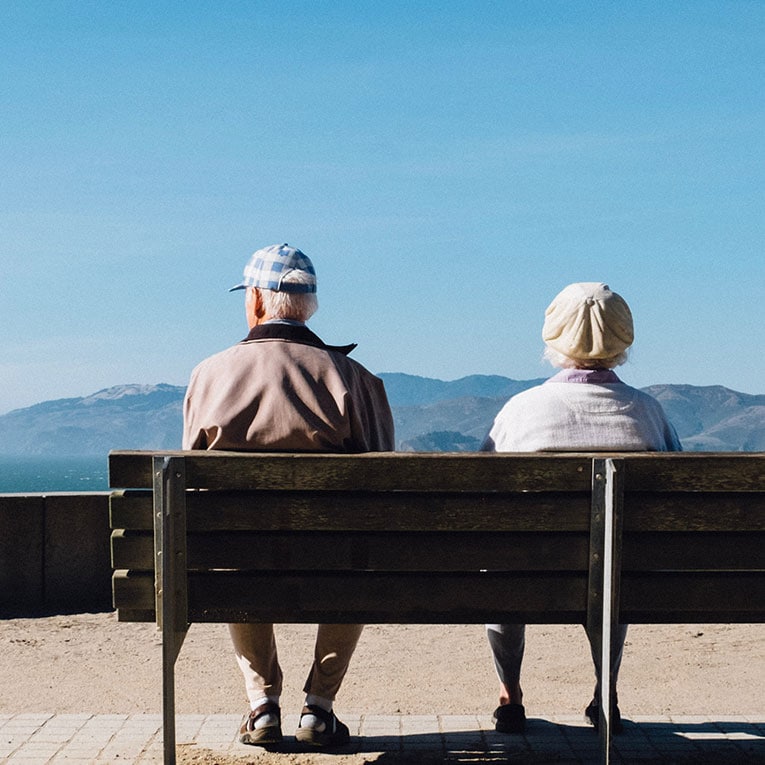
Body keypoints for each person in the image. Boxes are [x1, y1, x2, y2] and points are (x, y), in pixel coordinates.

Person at [182, 243, 395, 748]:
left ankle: (261, 706)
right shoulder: (355, 380)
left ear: (256, 300)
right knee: (357, 556)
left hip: (242, 558)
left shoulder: (209, 374)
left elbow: (190, 482)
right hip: (336, 558)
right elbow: (387, 481)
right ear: (309, 307)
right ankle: (319, 708)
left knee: (231, 551)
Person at [481, 282, 681, 736]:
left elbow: (484, 500)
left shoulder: (521, 411)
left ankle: (510, 695)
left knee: (502, 569)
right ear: (623, 340)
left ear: (553, 339)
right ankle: (604, 692)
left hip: (530, 573)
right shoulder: (649, 413)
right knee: (612, 565)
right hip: (622, 575)